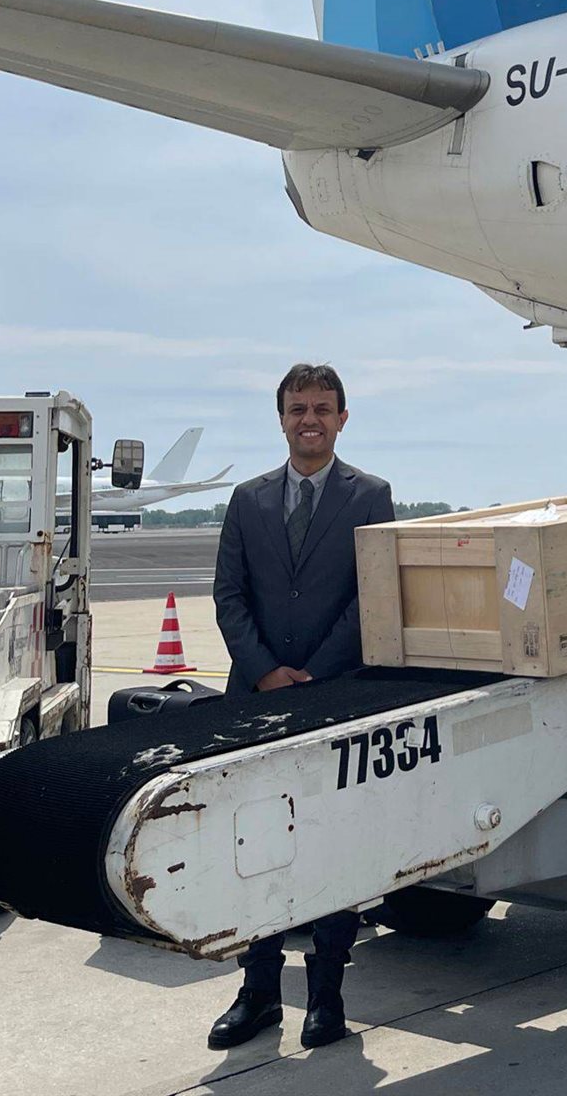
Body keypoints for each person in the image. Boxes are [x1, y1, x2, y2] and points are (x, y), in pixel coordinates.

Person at [208, 362, 394, 1053]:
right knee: (253, 843)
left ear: (342, 419)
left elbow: (372, 596)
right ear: (281, 418)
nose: (308, 420)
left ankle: (326, 995)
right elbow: (229, 595)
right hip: (255, 701)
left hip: (333, 694)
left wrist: (315, 674)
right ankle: (258, 991)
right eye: (297, 409)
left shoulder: (370, 496)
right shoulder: (246, 499)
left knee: (332, 842)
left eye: (321, 409)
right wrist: (264, 673)